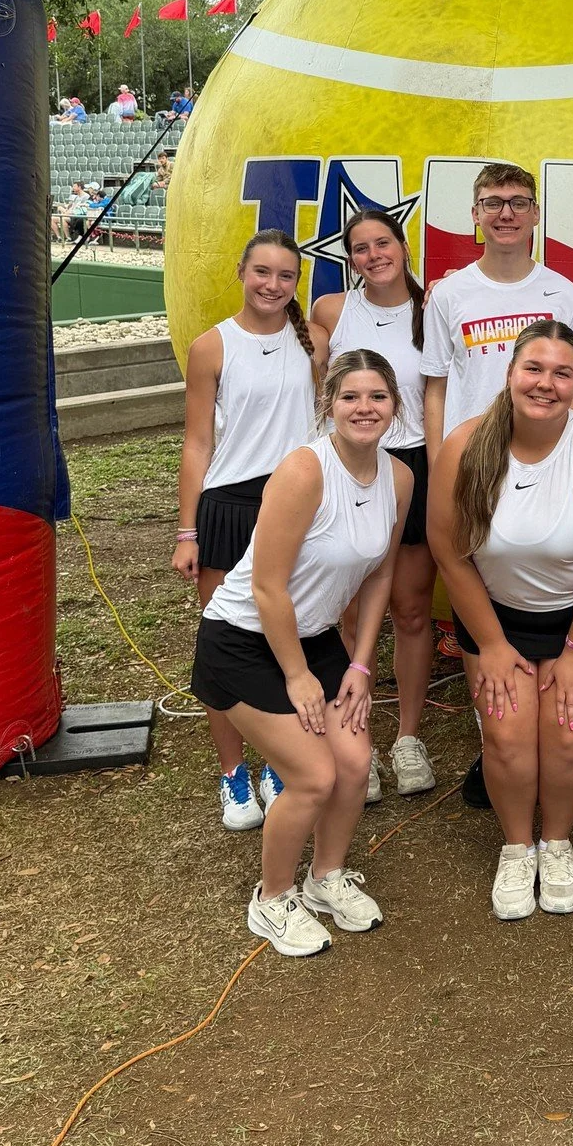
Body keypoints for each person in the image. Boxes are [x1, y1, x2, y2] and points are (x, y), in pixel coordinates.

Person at [191, 349, 411, 956]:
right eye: (350, 397)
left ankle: (325, 877)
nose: (364, 408)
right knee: (314, 777)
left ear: (394, 405)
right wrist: (297, 676)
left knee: (356, 764)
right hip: (241, 639)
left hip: (315, 639)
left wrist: (361, 663)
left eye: (377, 396)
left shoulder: (399, 479)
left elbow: (380, 575)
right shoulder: (303, 471)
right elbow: (267, 587)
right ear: (328, 405)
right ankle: (272, 897)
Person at [426, 321, 573, 920]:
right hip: (494, 616)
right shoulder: (466, 445)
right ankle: (518, 847)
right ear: (511, 374)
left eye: (562, 374)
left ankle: (557, 843)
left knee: (569, 738)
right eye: (534, 369)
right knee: (507, 738)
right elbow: (450, 553)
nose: (546, 384)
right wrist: (491, 645)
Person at [420, 163, 573, 805]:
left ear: (536, 214)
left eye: (519, 202)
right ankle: (495, 740)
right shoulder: (449, 295)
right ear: (475, 215)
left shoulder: (564, 294)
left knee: (544, 586)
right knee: (481, 594)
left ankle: (548, 734)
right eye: (492, 203)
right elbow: (436, 387)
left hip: (547, 466)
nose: (506, 213)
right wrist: (441, 464)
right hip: (477, 467)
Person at [174, 230, 331, 830]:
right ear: (241, 271)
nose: (272, 284)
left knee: (290, 638)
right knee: (226, 650)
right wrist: (187, 531)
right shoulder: (212, 346)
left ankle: (278, 763)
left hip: (296, 502)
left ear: (297, 283)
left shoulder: (314, 340)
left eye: (286, 275)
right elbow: (197, 443)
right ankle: (233, 774)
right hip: (230, 506)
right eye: (262, 272)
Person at [311, 207, 437, 803]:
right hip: (349, 465)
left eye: (382, 242)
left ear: (402, 245)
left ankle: (408, 738)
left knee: (410, 611)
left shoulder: (433, 308)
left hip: (412, 464)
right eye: (359, 248)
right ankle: (352, 735)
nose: (373, 256)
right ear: (350, 259)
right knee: (350, 612)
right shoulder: (332, 312)